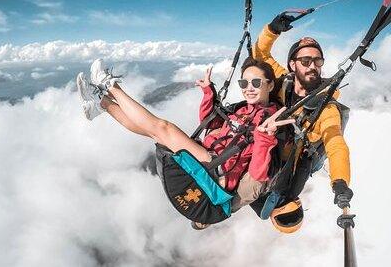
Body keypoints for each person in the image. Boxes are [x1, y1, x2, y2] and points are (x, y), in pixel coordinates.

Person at [76, 57, 294, 229]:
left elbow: (258, 176)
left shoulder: (271, 121)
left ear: (270, 85)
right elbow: (211, 122)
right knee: (152, 132)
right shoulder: (242, 108)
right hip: (208, 155)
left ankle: (109, 86)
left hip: (215, 169)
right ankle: (101, 103)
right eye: (244, 82)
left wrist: (265, 138)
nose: (248, 87)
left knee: (163, 128)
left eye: (256, 82)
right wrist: (209, 93)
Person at [251, 13, 354, 213]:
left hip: (292, 159)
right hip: (273, 144)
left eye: (317, 61)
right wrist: (271, 31)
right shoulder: (284, 80)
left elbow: (335, 141)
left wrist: (340, 181)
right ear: (292, 64)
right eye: (305, 61)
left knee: (276, 205)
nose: (313, 66)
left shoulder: (326, 105)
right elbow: (260, 55)